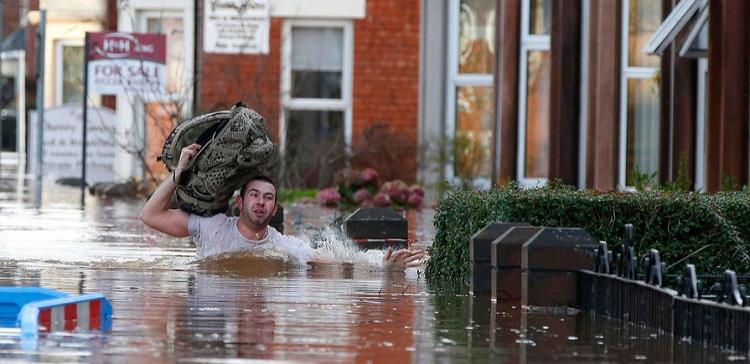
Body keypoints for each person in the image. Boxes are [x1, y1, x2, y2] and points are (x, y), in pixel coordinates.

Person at [140, 143, 426, 270]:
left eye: (268, 197)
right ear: (240, 202)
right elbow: (150, 215)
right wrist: (179, 172)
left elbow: (332, 260)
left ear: (275, 209)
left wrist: (382, 266)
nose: (261, 202)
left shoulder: (284, 246)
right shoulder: (210, 225)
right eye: (254, 195)